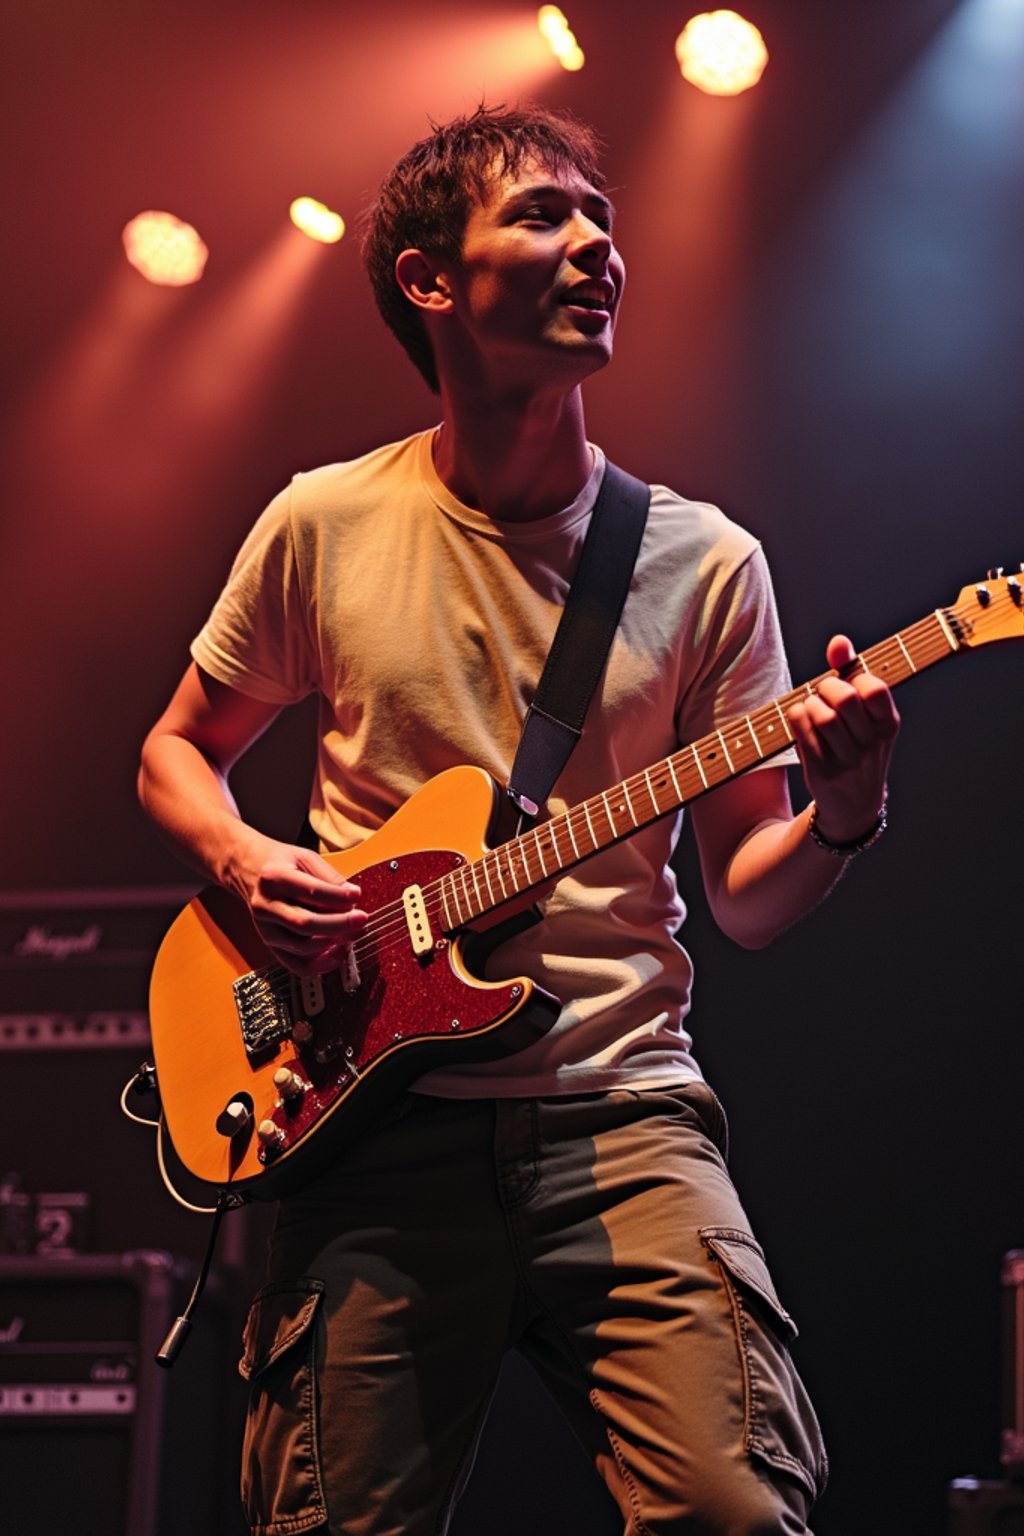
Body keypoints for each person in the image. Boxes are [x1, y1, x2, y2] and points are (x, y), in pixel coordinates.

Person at [138, 104, 899, 1536]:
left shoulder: (706, 563)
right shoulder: (324, 523)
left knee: (739, 1512)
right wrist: (242, 858)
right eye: (544, 215)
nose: (596, 243)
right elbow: (175, 753)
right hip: (372, 1131)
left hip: (621, 1115)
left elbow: (743, 887)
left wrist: (845, 806)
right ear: (433, 281)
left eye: (601, 218)